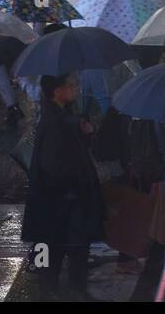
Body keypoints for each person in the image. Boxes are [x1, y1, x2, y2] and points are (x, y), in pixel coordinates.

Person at [22, 72, 105, 300]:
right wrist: (73, 188)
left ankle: (62, 289)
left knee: (62, 246)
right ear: (57, 91)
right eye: (71, 85)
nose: (76, 88)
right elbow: (55, 164)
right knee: (62, 247)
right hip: (62, 199)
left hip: (61, 200)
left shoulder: (61, 116)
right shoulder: (55, 121)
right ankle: (60, 290)